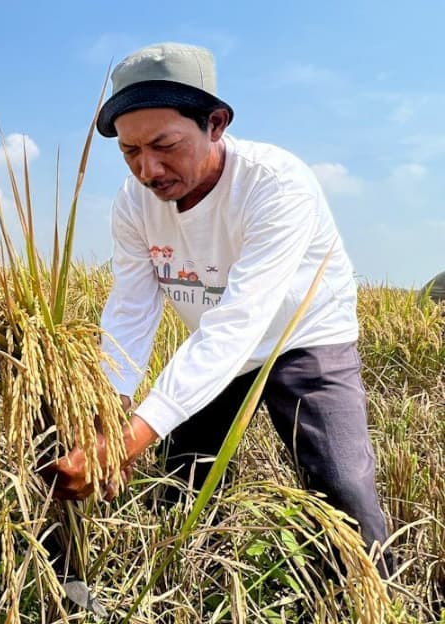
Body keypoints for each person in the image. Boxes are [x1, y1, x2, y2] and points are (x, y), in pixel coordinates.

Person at [42, 42, 393, 576]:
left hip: (300, 338)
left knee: (341, 486)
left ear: (216, 123)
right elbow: (131, 311)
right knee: (182, 476)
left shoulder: (275, 185)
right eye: (131, 152)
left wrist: (132, 439)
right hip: (211, 345)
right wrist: (107, 414)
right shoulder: (134, 205)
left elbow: (242, 323)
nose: (148, 169)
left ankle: (369, 596)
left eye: (165, 145)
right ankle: (189, 576)